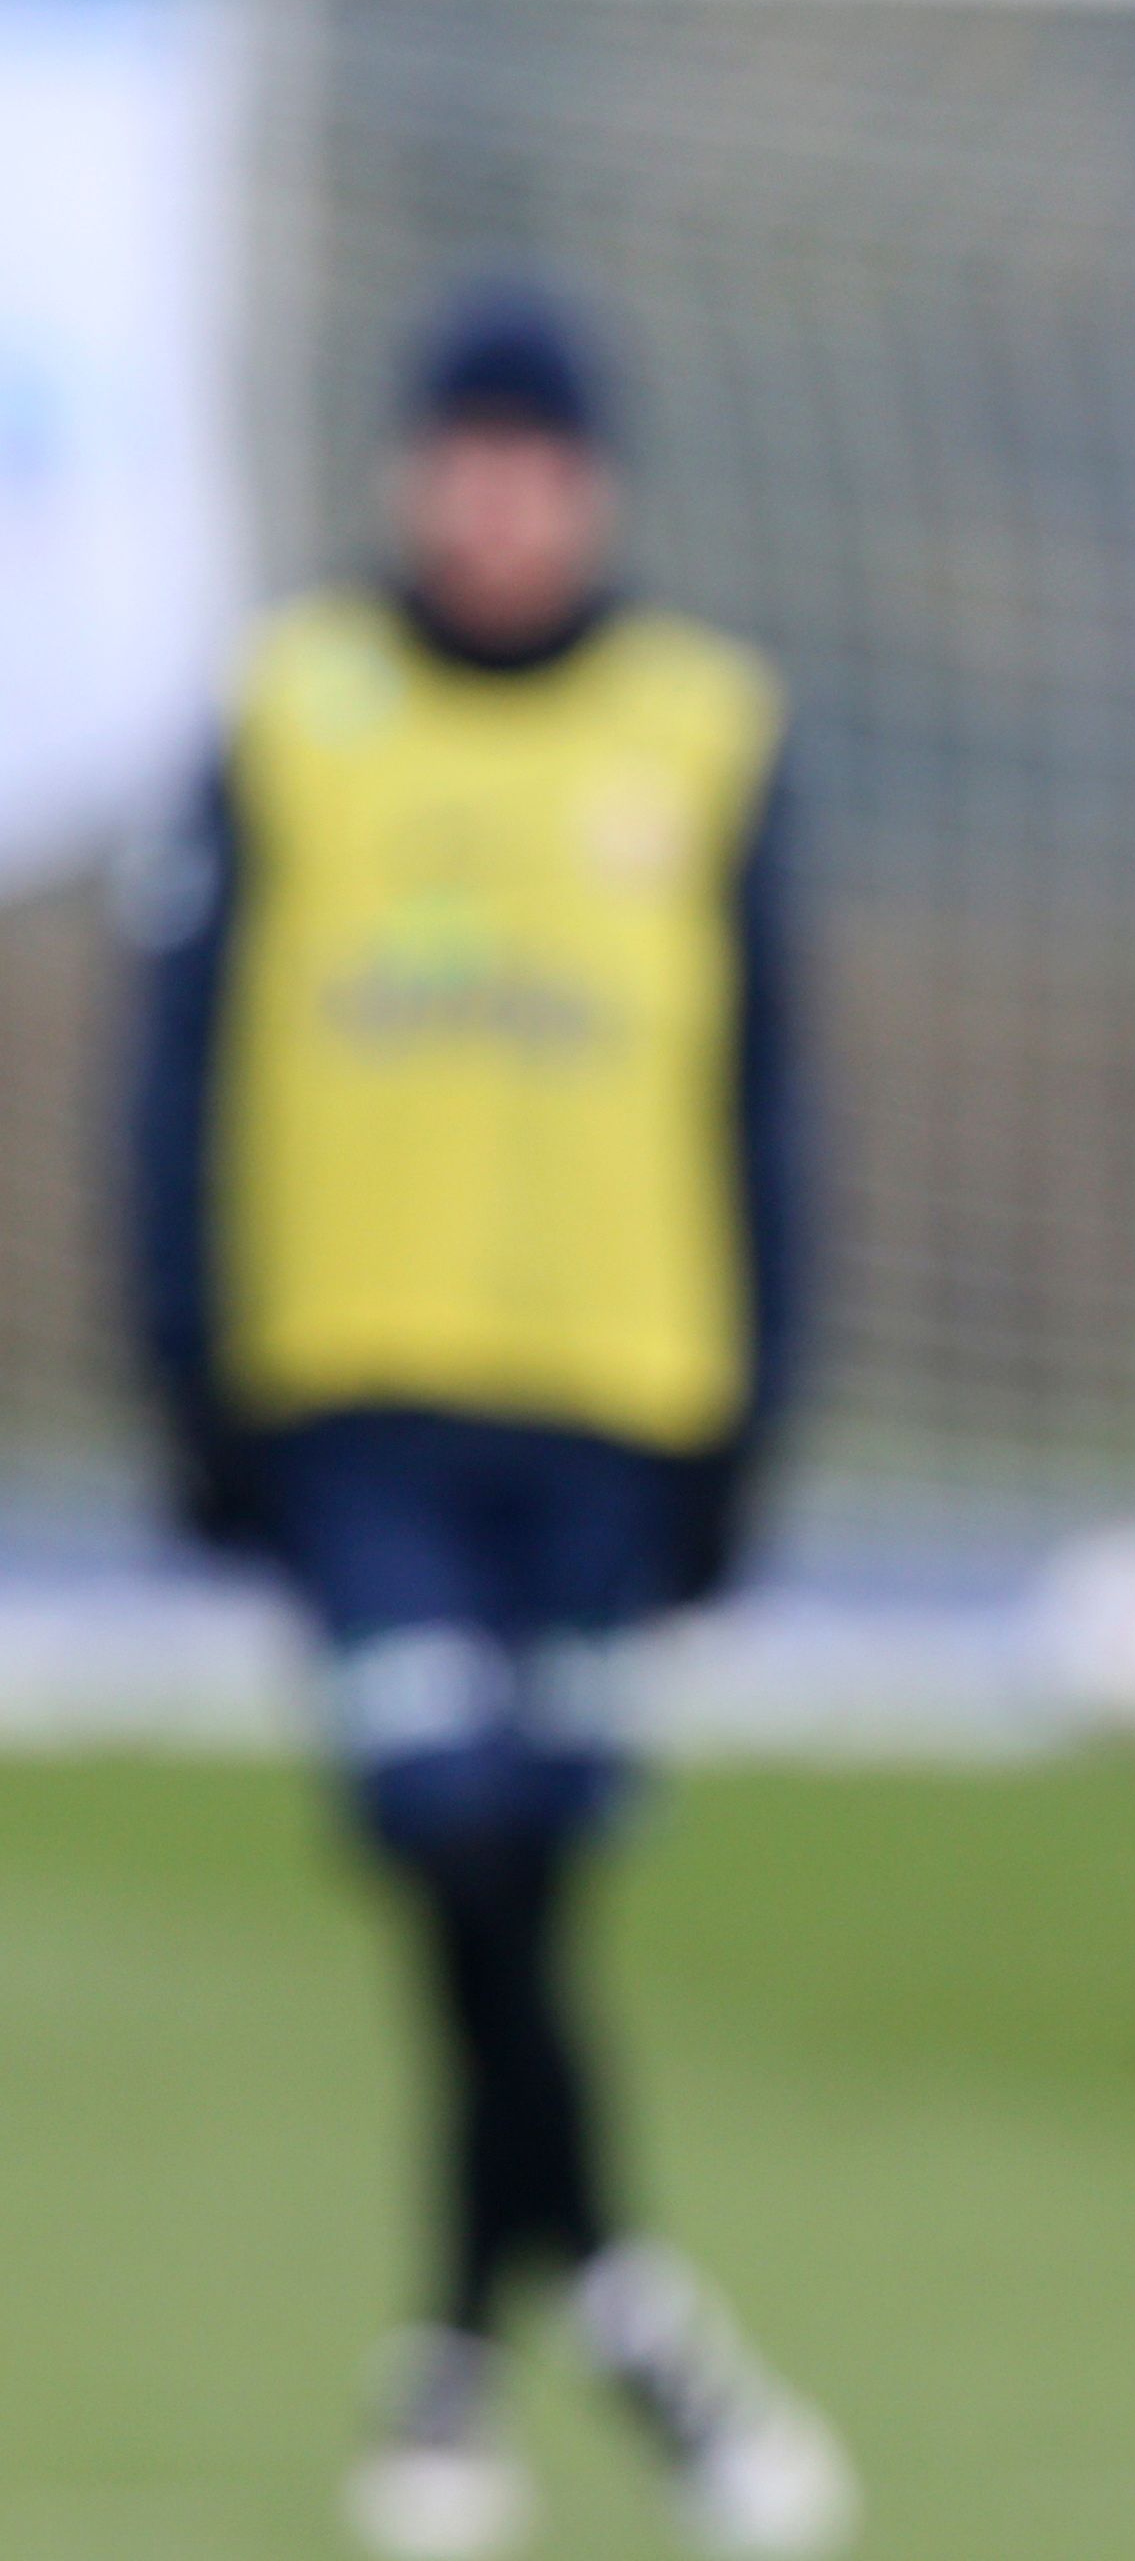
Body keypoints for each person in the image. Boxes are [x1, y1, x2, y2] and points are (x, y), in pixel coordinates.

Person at [128, 285, 855, 2561]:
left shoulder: (704, 726)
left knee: (525, 1888)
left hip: (614, 1409)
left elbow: (767, 1098)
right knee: (447, 1840)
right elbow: (175, 1073)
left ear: (596, 489)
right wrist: (191, 1375)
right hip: (362, 1401)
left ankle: (452, 2368)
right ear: (407, 475)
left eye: (538, 464)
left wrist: (750, 1425)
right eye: (467, 457)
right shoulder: (289, 711)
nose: (500, 504)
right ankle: (632, 2315)